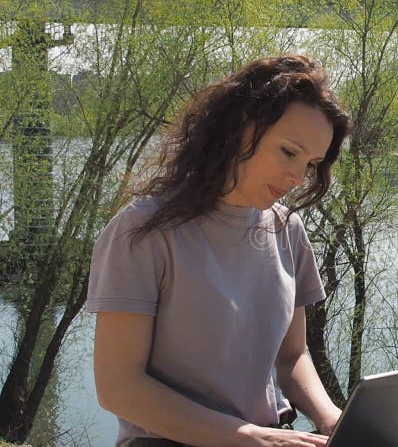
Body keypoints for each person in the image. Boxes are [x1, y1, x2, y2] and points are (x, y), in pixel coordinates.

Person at [87, 55, 351, 447]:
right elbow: (119, 388)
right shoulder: (143, 232)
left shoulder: (288, 231)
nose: (297, 177)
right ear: (238, 129)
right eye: (288, 152)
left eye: (310, 164)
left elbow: (291, 357)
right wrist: (245, 437)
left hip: (267, 437)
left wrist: (333, 420)